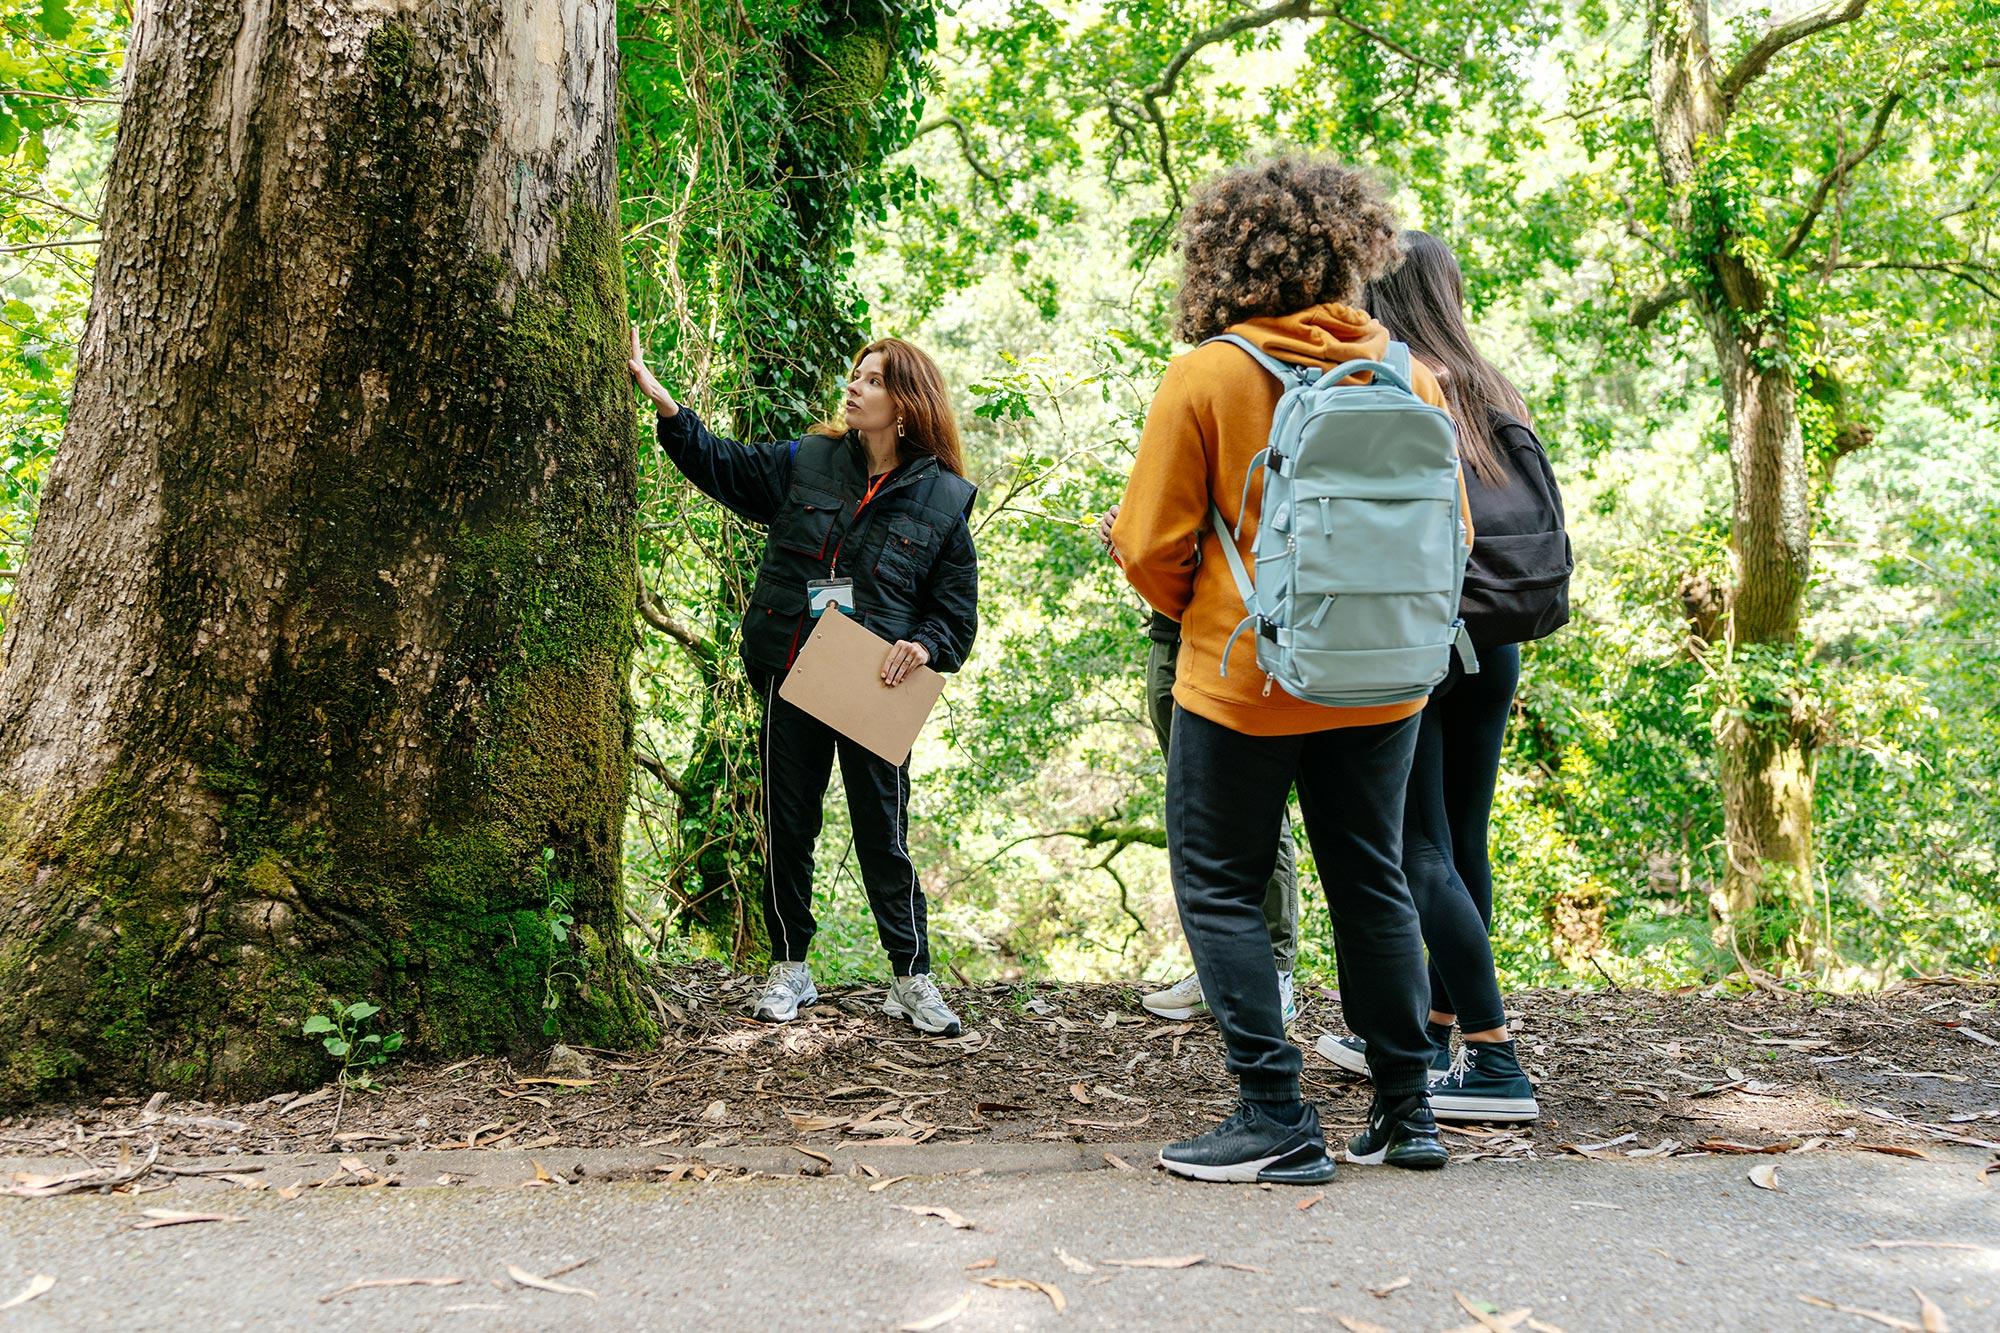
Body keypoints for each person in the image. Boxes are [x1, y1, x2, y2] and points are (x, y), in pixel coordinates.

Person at [1113, 155, 1464, 1183]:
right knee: (1371, 879)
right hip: (1384, 677)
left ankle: (1271, 1110)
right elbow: (1457, 534)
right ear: (1351, 253)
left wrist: (1212, 617)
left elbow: (1147, 545)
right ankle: (1407, 1111)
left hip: (1243, 680)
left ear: (1222, 259)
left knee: (1219, 886)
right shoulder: (1409, 373)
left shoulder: (1208, 375)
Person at [627, 330, 978, 1037]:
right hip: (793, 665)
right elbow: (724, 465)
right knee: (789, 825)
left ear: (906, 404)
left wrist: (923, 645)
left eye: (872, 380)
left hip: (875, 684)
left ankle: (911, 977)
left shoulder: (943, 498)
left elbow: (955, 616)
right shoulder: (808, 459)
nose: (854, 386)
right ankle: (790, 966)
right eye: (855, 374)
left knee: (885, 834)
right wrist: (668, 409)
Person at [1315, 232, 1564, 1123]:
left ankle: (1495, 1062)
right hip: (1495, 639)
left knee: (1414, 847)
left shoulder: (1398, 385)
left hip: (1423, 637)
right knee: (1463, 838)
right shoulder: (1492, 385)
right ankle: (1432, 1027)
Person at [1096, 505, 1303, 1026]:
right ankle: (1219, 969)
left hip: (1240, 638)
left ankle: (1273, 971)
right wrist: (1130, 539)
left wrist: (1144, 544)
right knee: (1201, 817)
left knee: (1258, 811)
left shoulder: (1267, 437)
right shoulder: (1183, 432)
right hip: (1173, 639)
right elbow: (1164, 544)